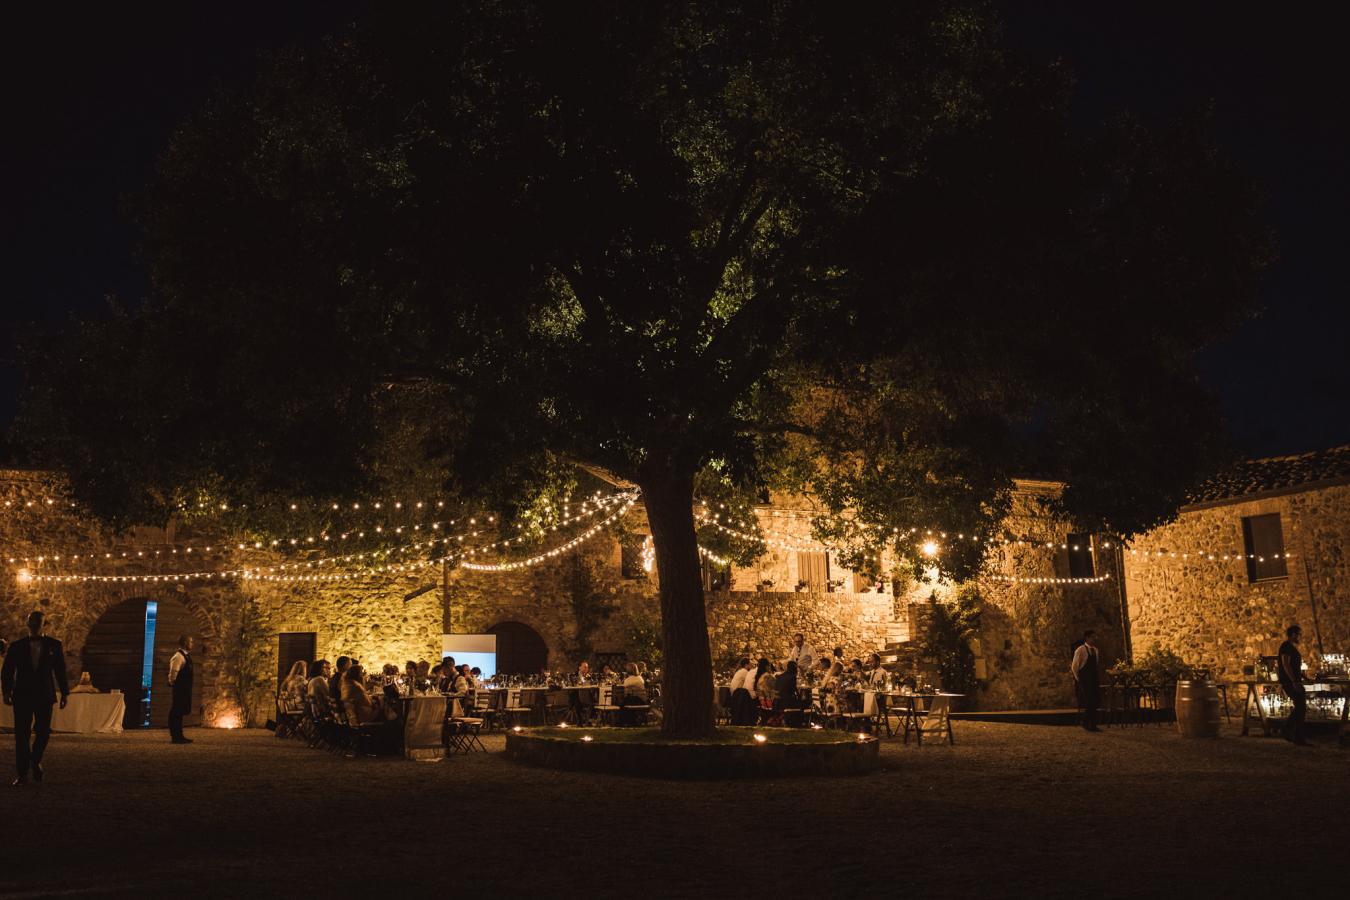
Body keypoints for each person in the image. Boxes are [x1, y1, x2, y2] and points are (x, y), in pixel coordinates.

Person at [2, 610, 70, 785]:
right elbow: (7, 671)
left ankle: (34, 759)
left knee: (43, 732)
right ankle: (23, 773)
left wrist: (65, 693)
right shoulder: (17, 646)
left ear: (43, 624)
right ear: (27, 623)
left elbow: (60, 670)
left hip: (45, 695)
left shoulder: (54, 645)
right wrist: (6, 692)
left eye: (37, 620)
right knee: (21, 735)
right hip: (22, 695)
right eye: (31, 619)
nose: (34, 623)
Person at [1278, 624, 1311, 746]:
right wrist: (1294, 681)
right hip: (1290, 681)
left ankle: (1289, 730)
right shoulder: (1286, 646)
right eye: (1299, 634)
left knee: (1300, 706)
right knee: (1301, 706)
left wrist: (1304, 677)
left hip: (1294, 680)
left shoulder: (1291, 647)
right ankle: (1294, 734)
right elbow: (1286, 665)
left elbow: (1294, 667)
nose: (1300, 637)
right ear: (1293, 635)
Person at [1070, 629, 1101, 732]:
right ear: (1087, 638)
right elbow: (1075, 666)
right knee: (1089, 701)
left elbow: (1095, 664)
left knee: (1095, 701)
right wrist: (1079, 679)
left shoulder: (1095, 650)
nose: (1094, 639)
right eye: (1092, 637)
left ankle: (1093, 723)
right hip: (1085, 679)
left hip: (1093, 679)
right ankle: (1086, 722)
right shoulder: (1080, 650)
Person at [167, 635, 195, 744]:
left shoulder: (186, 656)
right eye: (191, 642)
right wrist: (173, 682)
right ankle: (175, 736)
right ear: (185, 643)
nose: (192, 644)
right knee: (176, 712)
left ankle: (180, 735)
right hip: (180, 689)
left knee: (180, 712)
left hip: (185, 689)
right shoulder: (178, 657)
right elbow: (173, 672)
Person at [728, 657, 753, 725]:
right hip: (738, 696)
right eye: (750, 664)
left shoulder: (739, 671)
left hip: (734, 695)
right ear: (746, 665)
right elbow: (750, 683)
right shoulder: (745, 672)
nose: (751, 666)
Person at [753, 658, 776, 722]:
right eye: (769, 666)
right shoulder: (768, 676)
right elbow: (777, 687)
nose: (770, 668)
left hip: (762, 703)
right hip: (770, 704)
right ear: (766, 667)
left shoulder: (759, 676)